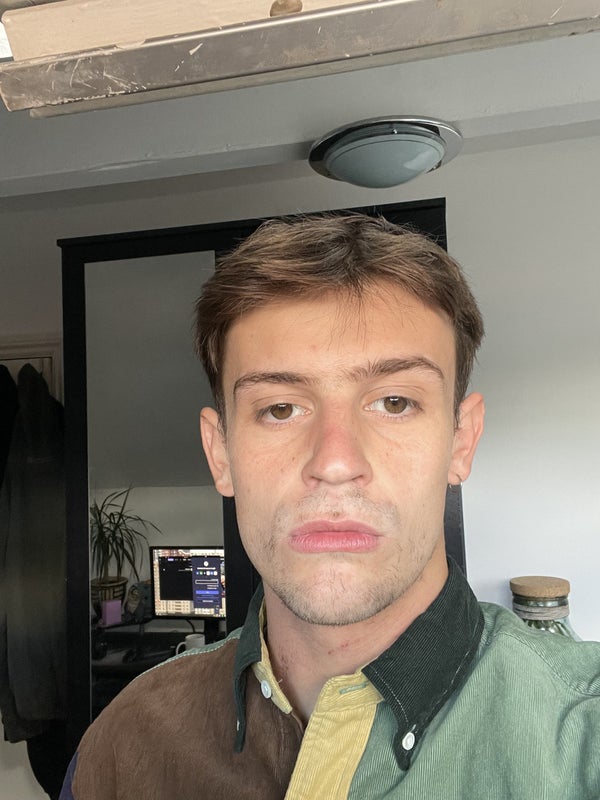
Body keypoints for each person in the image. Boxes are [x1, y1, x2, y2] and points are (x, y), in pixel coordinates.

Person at [60, 214, 600, 799]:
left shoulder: (581, 740)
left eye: (394, 402)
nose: (335, 462)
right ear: (220, 453)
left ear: (461, 442)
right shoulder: (124, 744)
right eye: (281, 409)